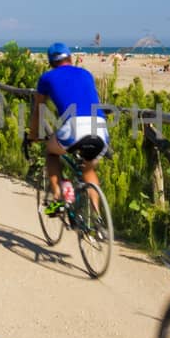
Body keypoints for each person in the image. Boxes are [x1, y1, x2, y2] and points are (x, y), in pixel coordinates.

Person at [26, 43, 108, 214]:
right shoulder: (86, 74)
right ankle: (98, 219)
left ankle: (58, 195)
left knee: (51, 152)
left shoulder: (47, 78)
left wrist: (33, 135)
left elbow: (38, 111)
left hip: (74, 127)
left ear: (50, 63)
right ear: (70, 58)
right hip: (100, 126)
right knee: (88, 168)